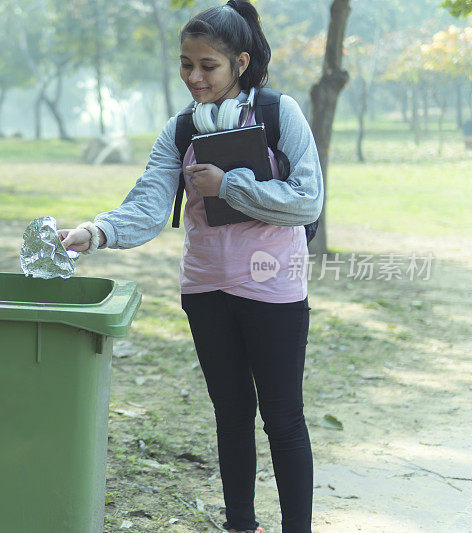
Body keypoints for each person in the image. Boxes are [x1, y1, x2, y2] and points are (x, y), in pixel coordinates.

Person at [58, 2, 323, 532]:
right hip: (205, 289)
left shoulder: (279, 112)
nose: (195, 77)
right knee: (231, 414)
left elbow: (307, 200)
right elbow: (150, 204)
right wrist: (95, 233)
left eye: (209, 66)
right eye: (186, 64)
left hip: (273, 286)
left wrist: (229, 186)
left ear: (240, 62)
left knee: (283, 418)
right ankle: (240, 526)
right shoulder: (179, 130)